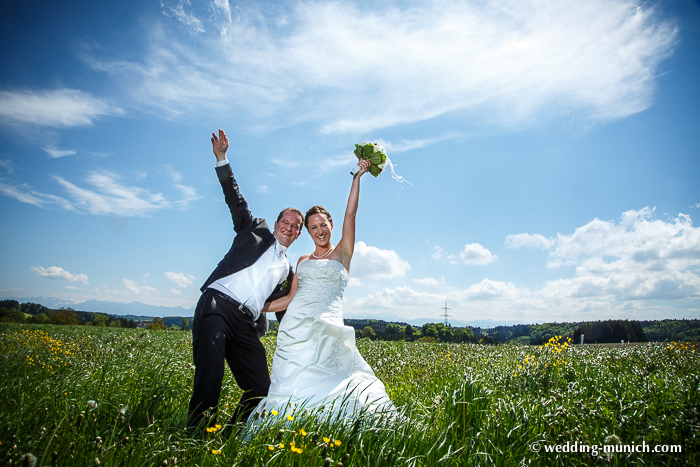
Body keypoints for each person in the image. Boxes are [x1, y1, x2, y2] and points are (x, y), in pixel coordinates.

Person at [252, 158, 394, 421]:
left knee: (333, 380)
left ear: (331, 225)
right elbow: (290, 298)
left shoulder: (342, 253)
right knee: (293, 384)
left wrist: (357, 179)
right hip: (295, 328)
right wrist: (257, 307)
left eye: (323, 225)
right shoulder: (302, 260)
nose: (319, 231)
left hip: (327, 325)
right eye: (313, 227)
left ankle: (330, 425)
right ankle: (289, 426)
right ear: (307, 231)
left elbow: (350, 215)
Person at [187, 129, 304, 431]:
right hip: (216, 306)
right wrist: (222, 158)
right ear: (276, 223)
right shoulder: (254, 229)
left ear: (298, 234)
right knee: (210, 376)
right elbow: (235, 199)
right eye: (286, 222)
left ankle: (229, 436)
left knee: (261, 388)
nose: (289, 227)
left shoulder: (288, 270)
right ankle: (195, 438)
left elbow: (285, 308)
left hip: (245, 324)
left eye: (296, 226)